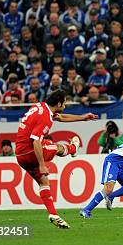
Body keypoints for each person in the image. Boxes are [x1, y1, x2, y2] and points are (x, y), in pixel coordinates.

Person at [15, 90, 97, 228]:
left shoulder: (40, 106)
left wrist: (83, 118)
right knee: (56, 147)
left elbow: (61, 117)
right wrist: (42, 165)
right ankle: (73, 149)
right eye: (64, 102)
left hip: (20, 155)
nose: (65, 104)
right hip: (30, 152)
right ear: (58, 103)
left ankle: (53, 214)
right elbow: (35, 141)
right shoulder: (45, 117)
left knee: (43, 182)